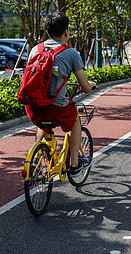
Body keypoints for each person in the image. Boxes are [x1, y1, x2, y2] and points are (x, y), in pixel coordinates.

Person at [24, 12, 97, 177]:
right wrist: (92, 85)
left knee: (43, 122)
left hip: (32, 107)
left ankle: (36, 156)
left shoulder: (36, 49)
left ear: (48, 32)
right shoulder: (71, 54)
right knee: (75, 120)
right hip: (57, 108)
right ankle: (75, 165)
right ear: (66, 32)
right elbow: (85, 87)